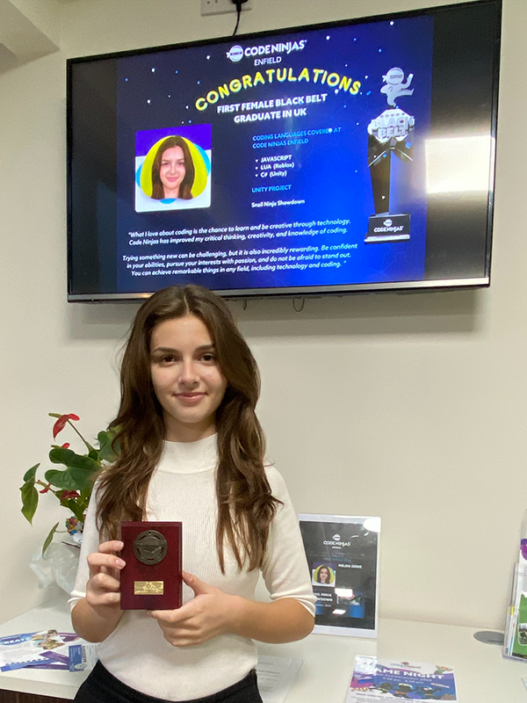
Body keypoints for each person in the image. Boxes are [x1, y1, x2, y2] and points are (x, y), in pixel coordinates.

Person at [69, 285, 315, 703]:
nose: (188, 376)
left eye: (207, 356)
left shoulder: (260, 481)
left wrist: (233, 614)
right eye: (167, 358)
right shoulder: (114, 482)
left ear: (230, 366)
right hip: (114, 691)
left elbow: (300, 613)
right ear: (145, 371)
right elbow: (86, 623)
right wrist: (101, 606)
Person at [151, 136, 195, 200]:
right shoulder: (145, 204)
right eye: (166, 164)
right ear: (158, 168)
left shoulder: (198, 203)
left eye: (180, 163)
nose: (172, 171)